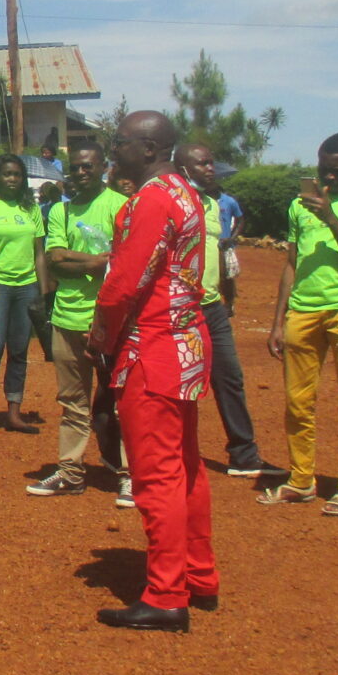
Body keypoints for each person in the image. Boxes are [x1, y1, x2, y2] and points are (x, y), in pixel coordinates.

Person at [90, 112, 217, 633]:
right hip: (185, 341)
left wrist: (100, 334)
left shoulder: (151, 199)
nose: (111, 149)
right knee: (186, 465)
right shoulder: (185, 192)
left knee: (156, 473)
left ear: (146, 148)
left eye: (118, 142)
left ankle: (166, 594)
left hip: (153, 347)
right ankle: (197, 575)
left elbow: (125, 281)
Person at [262, 133, 338, 516]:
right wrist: (278, 320)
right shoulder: (298, 207)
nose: (328, 178)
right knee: (298, 402)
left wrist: (330, 216)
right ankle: (301, 481)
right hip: (303, 311)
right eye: (323, 170)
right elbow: (291, 263)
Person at [29, 145, 131, 504]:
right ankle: (71, 471)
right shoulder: (61, 209)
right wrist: (95, 263)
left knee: (121, 400)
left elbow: (126, 261)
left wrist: (75, 259)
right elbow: (54, 259)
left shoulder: (121, 205)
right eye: (76, 167)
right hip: (66, 317)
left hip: (110, 319)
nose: (82, 172)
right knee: (72, 400)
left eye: (89, 166)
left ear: (103, 167)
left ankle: (128, 474)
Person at [176, 144, 280, 478]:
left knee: (230, 377)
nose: (210, 168)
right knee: (179, 386)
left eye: (210, 163)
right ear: (182, 168)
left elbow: (215, 249)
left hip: (212, 306)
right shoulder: (175, 205)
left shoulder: (212, 204)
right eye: (201, 163)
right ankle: (174, 457)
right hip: (180, 309)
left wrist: (224, 289)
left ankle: (243, 455)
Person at [0, 154, 49, 439]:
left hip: (26, 287)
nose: (12, 179)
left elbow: (40, 252)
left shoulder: (31, 208)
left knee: (19, 350)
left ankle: (14, 412)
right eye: (6, 174)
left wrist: (42, 290)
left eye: (17, 174)